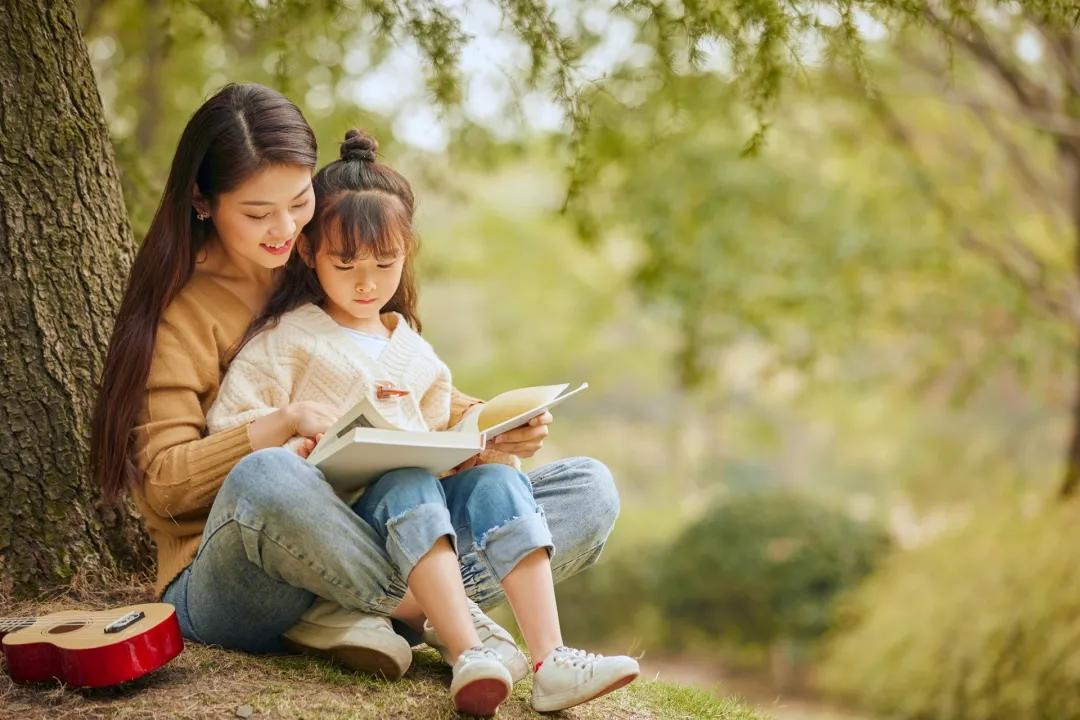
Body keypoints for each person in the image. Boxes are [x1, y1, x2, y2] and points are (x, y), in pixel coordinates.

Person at [89, 82, 623, 708]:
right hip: (245, 565)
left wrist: (488, 426)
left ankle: (376, 610)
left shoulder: (335, 253)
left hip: (381, 517)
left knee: (587, 489)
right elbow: (160, 488)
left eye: (298, 203)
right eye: (258, 214)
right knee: (270, 475)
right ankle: (437, 616)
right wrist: (276, 426)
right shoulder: (184, 310)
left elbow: (396, 382)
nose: (284, 229)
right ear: (203, 203)